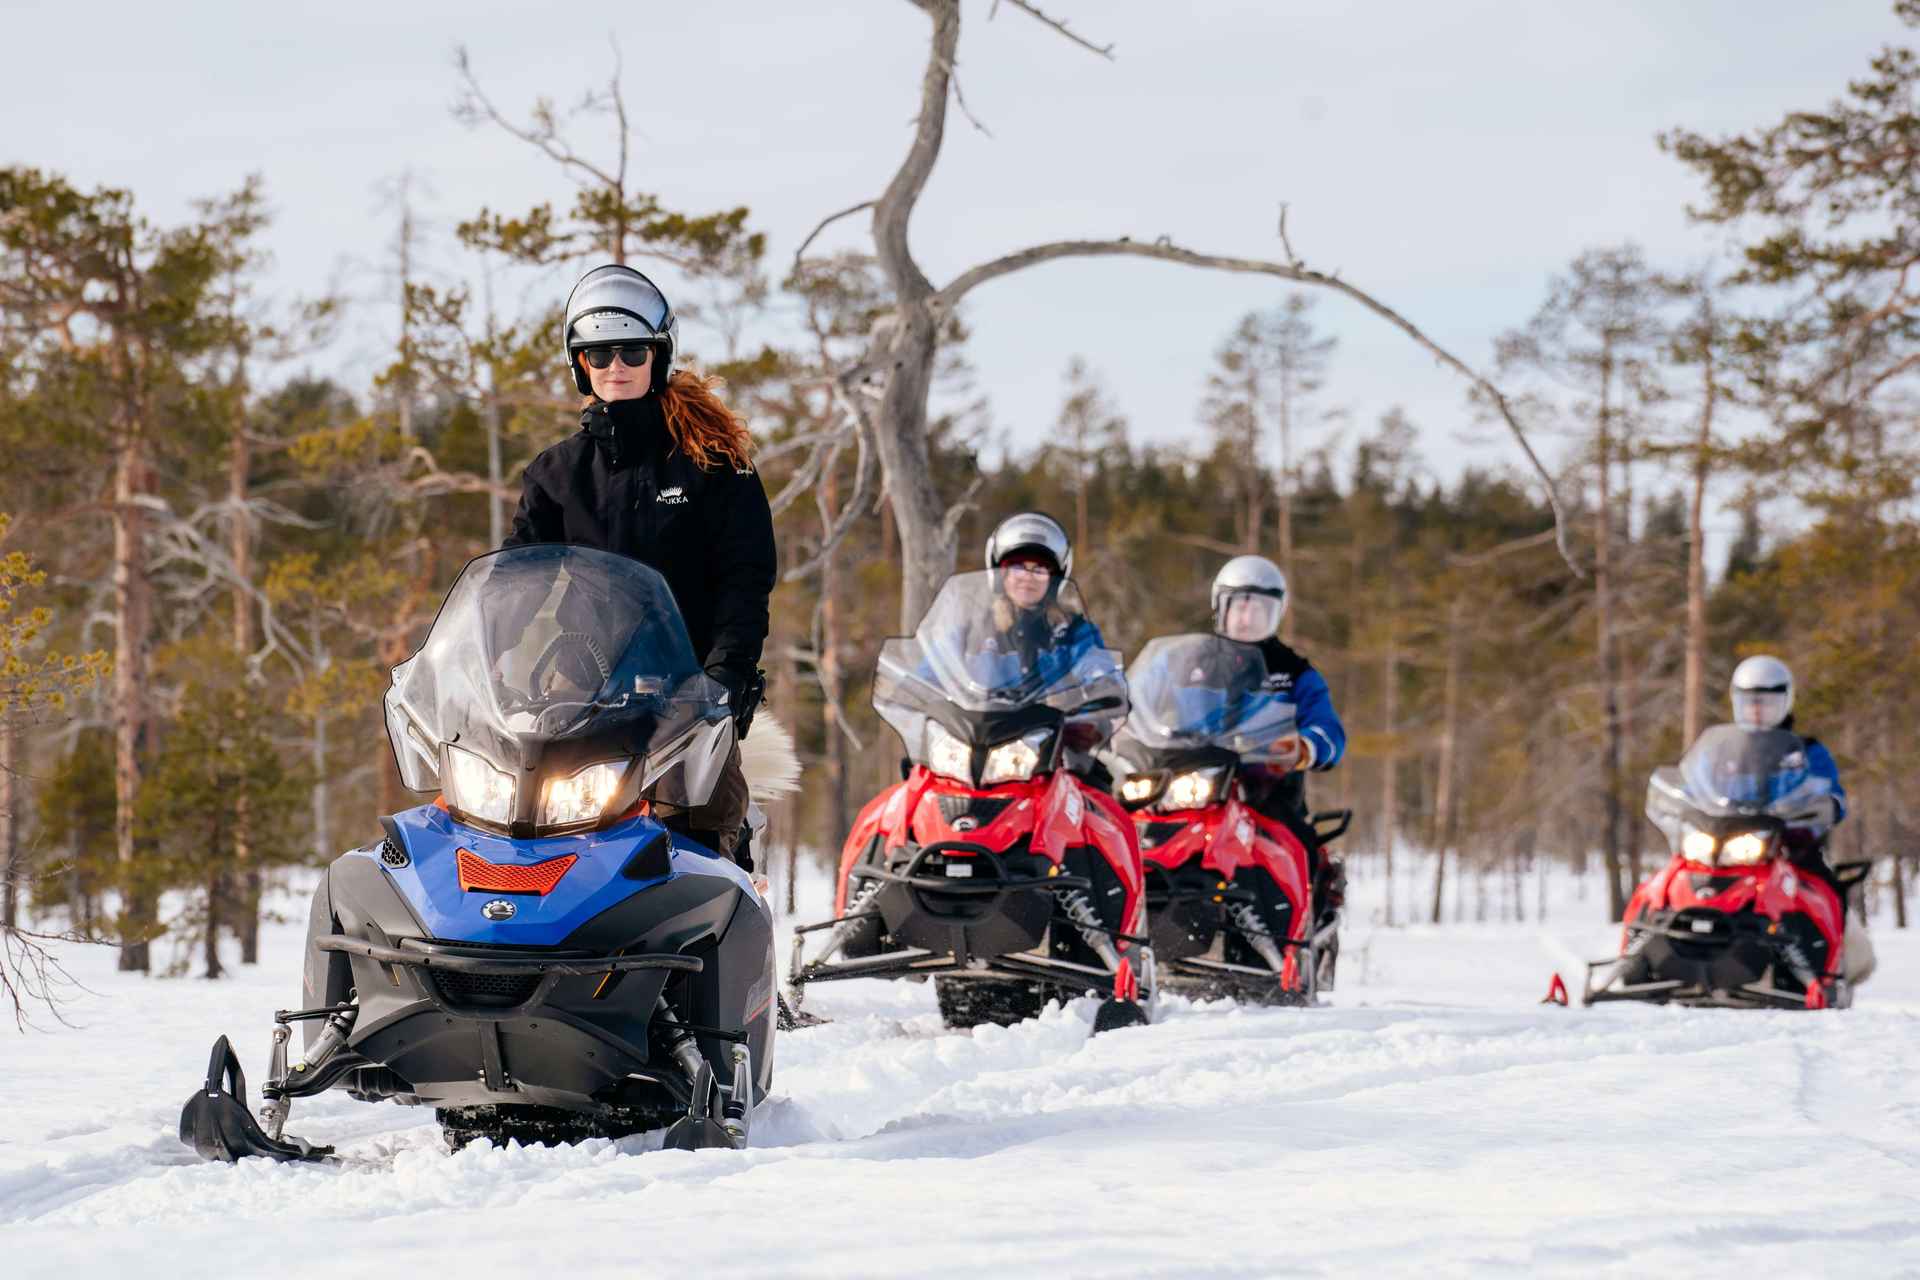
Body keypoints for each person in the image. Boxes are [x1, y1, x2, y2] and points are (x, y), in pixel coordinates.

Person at [499, 263, 776, 868]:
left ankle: (723, 895)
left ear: (658, 356)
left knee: (699, 835)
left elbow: (746, 579)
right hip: (582, 688)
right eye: (599, 355)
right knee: (522, 821)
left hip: (689, 692)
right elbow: (517, 577)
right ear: (581, 365)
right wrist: (483, 655)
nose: (615, 366)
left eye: (631, 351)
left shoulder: (713, 464)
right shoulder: (558, 473)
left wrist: (725, 673)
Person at [1211, 555, 1348, 920]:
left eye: (1259, 609)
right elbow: (1156, 707)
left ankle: (1299, 928)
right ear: (1220, 607)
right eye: (1239, 606)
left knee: (1295, 842)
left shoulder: (1294, 671)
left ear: (1276, 614)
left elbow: (1328, 729)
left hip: (1267, 789)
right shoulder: (1197, 665)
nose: (1247, 617)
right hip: (1201, 785)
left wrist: (1304, 747)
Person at [1726, 655, 1872, 982]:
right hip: (1729, 845)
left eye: (1767, 702)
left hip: (1791, 846)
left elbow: (1833, 794)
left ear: (1785, 701)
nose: (1758, 710)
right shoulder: (1725, 751)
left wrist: (1823, 807)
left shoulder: (1807, 751)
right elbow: (1695, 786)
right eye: (1750, 701)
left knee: (1827, 889)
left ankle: (1829, 968)